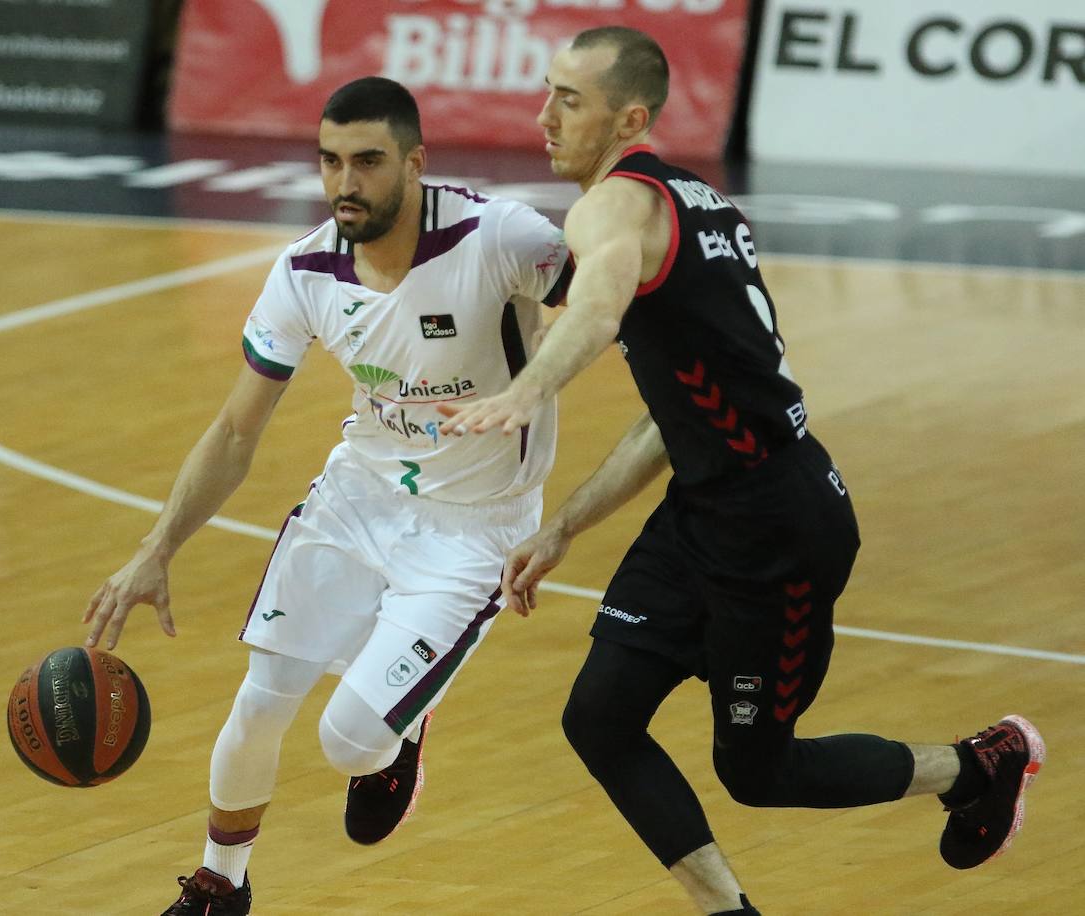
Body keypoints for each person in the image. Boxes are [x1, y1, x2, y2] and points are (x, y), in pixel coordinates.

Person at [437, 27, 1045, 916]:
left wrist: (526, 391)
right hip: (705, 508)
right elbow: (667, 420)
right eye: (548, 93)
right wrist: (564, 525)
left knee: (758, 771)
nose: (545, 116)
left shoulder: (617, 207)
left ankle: (976, 765)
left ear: (630, 117)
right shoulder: (705, 206)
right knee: (599, 718)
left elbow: (596, 308)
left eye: (570, 99)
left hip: (777, 528)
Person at [81, 76, 572, 915]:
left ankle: (401, 727)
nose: (346, 183)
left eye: (369, 162)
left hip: (475, 530)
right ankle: (217, 886)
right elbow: (238, 431)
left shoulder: (502, 238)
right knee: (259, 703)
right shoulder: (305, 269)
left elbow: (610, 305)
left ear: (415, 163)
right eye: (331, 161)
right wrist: (156, 547)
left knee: (347, 741)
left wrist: (543, 387)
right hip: (357, 497)